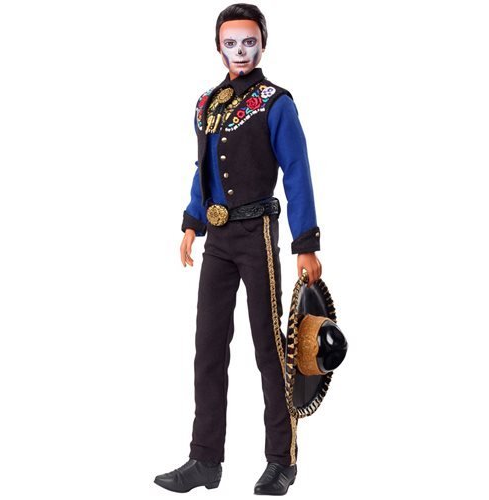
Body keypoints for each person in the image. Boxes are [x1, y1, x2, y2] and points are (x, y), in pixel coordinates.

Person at [154, 3, 322, 495]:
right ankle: (205, 459)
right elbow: (202, 170)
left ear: (262, 44)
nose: (241, 51)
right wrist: (192, 223)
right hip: (219, 240)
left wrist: (305, 242)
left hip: (257, 235)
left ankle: (282, 459)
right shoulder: (208, 104)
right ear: (218, 47)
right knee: (208, 346)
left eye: (249, 42)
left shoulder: (276, 103)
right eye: (231, 43)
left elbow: (297, 171)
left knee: (270, 347)